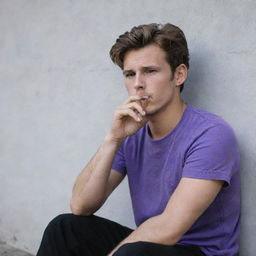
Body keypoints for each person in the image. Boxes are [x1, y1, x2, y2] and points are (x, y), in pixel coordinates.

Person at [37, 23, 240, 256]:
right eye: (130, 74)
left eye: (150, 71)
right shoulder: (131, 134)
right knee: (64, 228)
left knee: (132, 253)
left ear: (179, 74)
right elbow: (81, 205)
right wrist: (113, 139)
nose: (137, 84)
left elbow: (169, 228)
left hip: (198, 252)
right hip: (149, 248)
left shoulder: (211, 134)